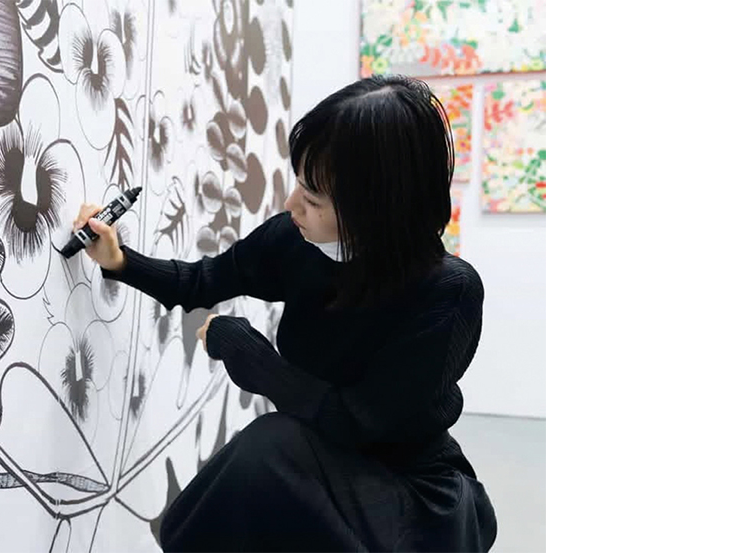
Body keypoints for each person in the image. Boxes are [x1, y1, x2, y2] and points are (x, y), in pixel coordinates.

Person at [72, 74, 498, 552]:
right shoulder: (294, 240)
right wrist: (120, 261)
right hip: (317, 470)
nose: (291, 204)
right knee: (263, 464)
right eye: (299, 183)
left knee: (270, 447)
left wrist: (254, 358)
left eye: (312, 198)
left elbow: (354, 422)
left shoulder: (447, 294)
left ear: (377, 210)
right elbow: (202, 281)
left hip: (406, 494)